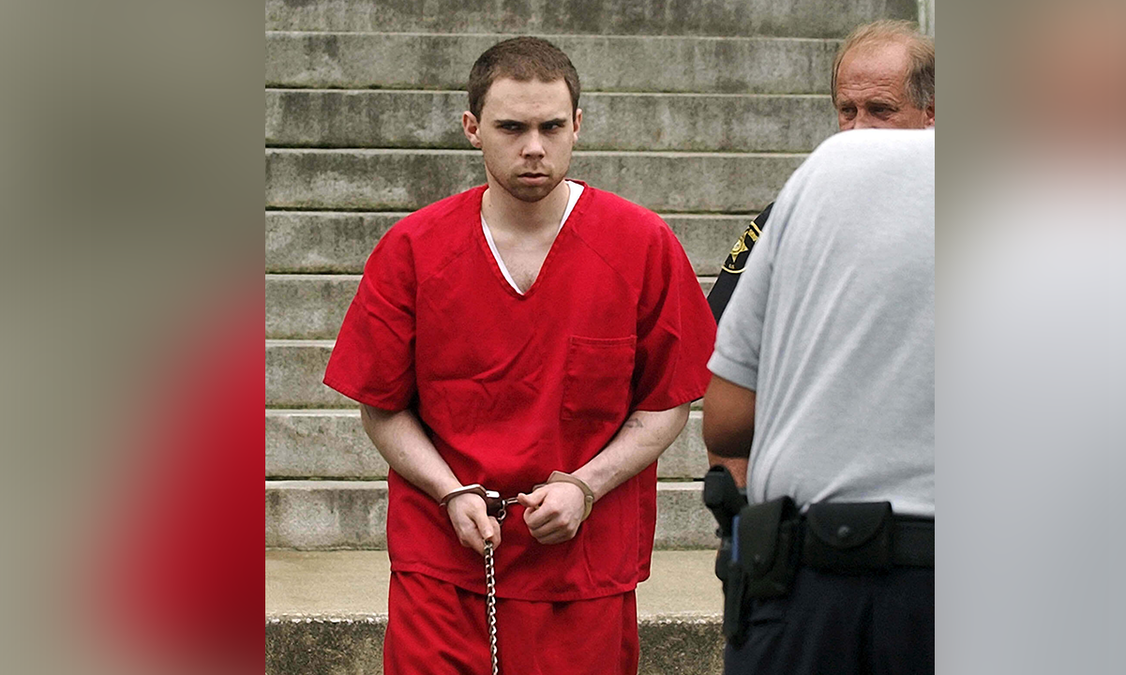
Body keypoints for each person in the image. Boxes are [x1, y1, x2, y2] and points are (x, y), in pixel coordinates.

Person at [322, 37, 717, 675]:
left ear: (577, 126)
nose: (533, 146)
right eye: (511, 127)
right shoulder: (414, 249)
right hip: (444, 560)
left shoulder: (642, 245)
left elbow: (667, 402)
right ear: (473, 129)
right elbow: (383, 407)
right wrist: (450, 492)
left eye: (551, 126)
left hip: (583, 563)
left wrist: (586, 487)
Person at [702, 128, 934, 674]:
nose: (861, 126)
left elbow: (726, 420)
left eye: (877, 110)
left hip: (808, 591)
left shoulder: (829, 168)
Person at [706, 18, 934, 486]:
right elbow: (726, 407)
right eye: (847, 110)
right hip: (820, 524)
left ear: (933, 112)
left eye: (880, 109)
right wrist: (740, 522)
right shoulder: (788, 219)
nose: (857, 128)